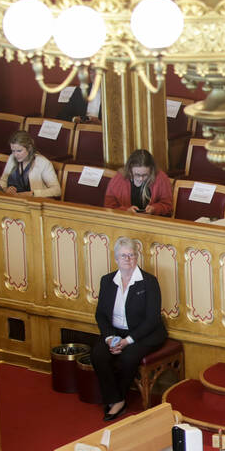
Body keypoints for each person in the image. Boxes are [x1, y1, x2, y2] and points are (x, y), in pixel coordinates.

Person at [90, 236, 167, 421]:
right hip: (115, 332)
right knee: (98, 355)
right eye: (123, 256)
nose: (127, 259)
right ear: (116, 258)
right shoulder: (107, 281)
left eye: (131, 255)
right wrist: (109, 338)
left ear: (137, 257)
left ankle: (118, 401)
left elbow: (152, 319)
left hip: (145, 333)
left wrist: (126, 341)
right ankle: (115, 397)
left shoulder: (149, 282)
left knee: (128, 356)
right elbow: (100, 314)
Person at [104, 148, 174, 215]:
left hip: (152, 221)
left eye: (145, 175)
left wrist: (154, 209)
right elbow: (109, 207)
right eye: (137, 175)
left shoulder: (161, 178)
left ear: (152, 170)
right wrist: (126, 211)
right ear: (130, 169)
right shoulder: (119, 179)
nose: (141, 179)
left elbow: (168, 207)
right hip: (125, 221)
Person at [0, 130, 60, 197]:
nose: (15, 154)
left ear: (29, 148)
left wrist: (32, 194)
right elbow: (3, 181)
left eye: (19, 151)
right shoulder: (11, 157)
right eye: (13, 151)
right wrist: (5, 189)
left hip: (31, 202)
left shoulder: (43, 163)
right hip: (11, 199)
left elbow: (57, 190)